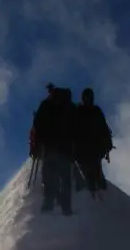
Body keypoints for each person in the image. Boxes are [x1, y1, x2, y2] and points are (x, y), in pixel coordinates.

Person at [31, 83, 75, 214]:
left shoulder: (46, 105)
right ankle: (66, 206)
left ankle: (48, 202)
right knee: (66, 178)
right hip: (66, 149)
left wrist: (36, 146)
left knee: (49, 176)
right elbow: (77, 128)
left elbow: (37, 125)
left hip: (49, 147)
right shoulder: (71, 107)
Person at [73, 86, 113, 196]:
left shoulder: (80, 111)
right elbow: (104, 129)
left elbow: (104, 129)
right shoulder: (95, 111)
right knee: (94, 174)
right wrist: (107, 146)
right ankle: (97, 198)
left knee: (89, 174)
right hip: (92, 151)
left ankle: (91, 199)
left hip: (86, 151)